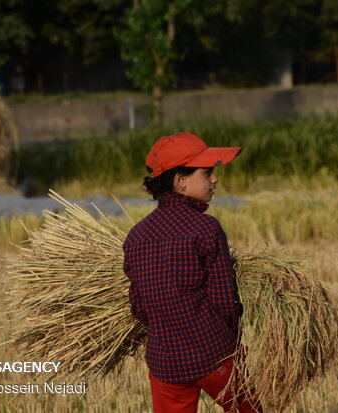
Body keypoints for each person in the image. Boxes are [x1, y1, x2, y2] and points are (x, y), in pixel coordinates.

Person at [123, 132, 262, 413]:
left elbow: (139, 307)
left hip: (165, 363)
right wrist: (231, 346)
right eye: (207, 172)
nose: (215, 179)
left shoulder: (135, 237)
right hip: (213, 353)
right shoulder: (205, 229)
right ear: (181, 181)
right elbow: (225, 300)